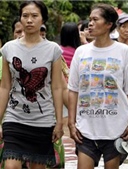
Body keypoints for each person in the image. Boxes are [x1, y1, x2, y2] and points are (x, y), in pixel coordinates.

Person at [68, 3, 128, 169]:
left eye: (95, 19)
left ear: (109, 24)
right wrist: (71, 123)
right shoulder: (81, 52)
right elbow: (73, 89)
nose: (90, 23)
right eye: (89, 20)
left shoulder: (123, 52)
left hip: (116, 129)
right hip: (86, 128)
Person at [0, 1, 64, 169]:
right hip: (14, 118)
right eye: (25, 16)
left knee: (38, 167)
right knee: (10, 166)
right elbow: (5, 87)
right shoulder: (8, 48)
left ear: (43, 20)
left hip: (43, 121)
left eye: (34, 16)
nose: (29, 20)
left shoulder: (53, 50)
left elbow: (57, 87)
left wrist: (59, 122)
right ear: (20, 18)